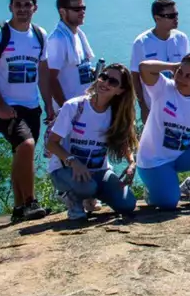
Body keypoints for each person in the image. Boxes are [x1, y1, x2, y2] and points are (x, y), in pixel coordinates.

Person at [0, 0, 49, 222]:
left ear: (35, 8)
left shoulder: (39, 35)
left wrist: (50, 106)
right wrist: (0, 104)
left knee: (22, 152)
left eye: (27, 5)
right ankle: (31, 202)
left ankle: (19, 208)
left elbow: (44, 74)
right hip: (3, 107)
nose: (22, 9)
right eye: (18, 4)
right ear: (10, 7)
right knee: (26, 145)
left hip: (31, 106)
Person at [45, 63, 138, 219]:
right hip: (65, 170)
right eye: (103, 77)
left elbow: (124, 142)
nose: (105, 83)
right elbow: (51, 143)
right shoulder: (74, 107)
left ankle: (91, 195)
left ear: (120, 90)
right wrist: (74, 162)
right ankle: (72, 198)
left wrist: (131, 163)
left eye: (113, 82)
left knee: (127, 204)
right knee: (88, 186)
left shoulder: (116, 114)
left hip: (99, 171)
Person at [136, 53, 190, 209]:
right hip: (153, 161)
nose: (182, 79)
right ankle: (153, 189)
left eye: (189, 76)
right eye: (180, 73)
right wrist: (172, 66)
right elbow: (143, 67)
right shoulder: (163, 88)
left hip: (179, 155)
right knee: (169, 203)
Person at [130, 0, 190, 124]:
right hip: (153, 105)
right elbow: (135, 76)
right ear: (157, 18)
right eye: (171, 15)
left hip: (178, 104)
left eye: (176, 14)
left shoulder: (182, 38)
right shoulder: (141, 42)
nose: (176, 18)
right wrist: (142, 106)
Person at [45, 0, 96, 117]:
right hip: (70, 111)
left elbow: (77, 68)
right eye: (77, 9)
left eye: (83, 8)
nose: (82, 12)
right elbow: (50, 78)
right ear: (62, 12)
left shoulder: (79, 34)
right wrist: (64, 109)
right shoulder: (58, 39)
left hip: (85, 106)